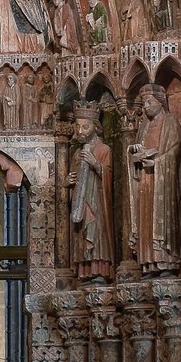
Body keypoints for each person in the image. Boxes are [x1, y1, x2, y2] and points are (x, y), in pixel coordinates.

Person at [128, 84, 181, 276]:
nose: (145, 107)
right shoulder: (144, 127)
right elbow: (137, 150)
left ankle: (166, 261)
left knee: (162, 217)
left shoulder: (170, 122)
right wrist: (135, 156)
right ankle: (148, 262)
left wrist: (158, 161)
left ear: (161, 103)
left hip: (162, 180)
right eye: (143, 104)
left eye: (149, 102)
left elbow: (175, 150)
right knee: (145, 219)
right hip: (145, 179)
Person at [67, 102, 114, 282]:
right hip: (81, 200)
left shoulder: (103, 149)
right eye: (77, 127)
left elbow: (108, 174)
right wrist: (68, 182)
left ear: (95, 127)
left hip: (97, 201)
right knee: (81, 232)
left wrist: (95, 163)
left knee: (95, 229)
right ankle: (85, 270)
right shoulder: (76, 154)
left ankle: (99, 268)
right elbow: (73, 178)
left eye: (85, 127)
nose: (80, 131)